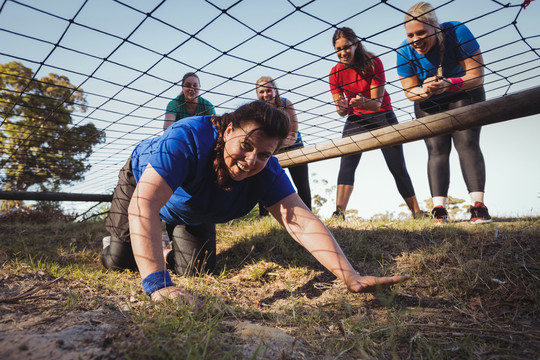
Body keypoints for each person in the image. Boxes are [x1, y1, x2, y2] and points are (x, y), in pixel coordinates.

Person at [102, 101, 408, 304]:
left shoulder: (267, 171)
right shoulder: (185, 138)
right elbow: (144, 204)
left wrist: (349, 276)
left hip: (192, 209)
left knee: (196, 270)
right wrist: (157, 285)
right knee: (119, 260)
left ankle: (166, 248)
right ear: (229, 129)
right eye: (246, 146)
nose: (251, 161)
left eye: (264, 154)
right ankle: (114, 242)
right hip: (142, 184)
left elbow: (300, 220)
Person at [396, 2, 491, 224]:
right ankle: (439, 210)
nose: (415, 40)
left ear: (435, 28)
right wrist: (425, 89)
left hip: (463, 91)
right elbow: (410, 91)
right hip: (430, 101)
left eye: (421, 32)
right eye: (410, 35)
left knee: (466, 141)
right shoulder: (403, 51)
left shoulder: (457, 32)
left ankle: (478, 206)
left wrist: (449, 83)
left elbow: (477, 76)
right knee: (436, 149)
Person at [329, 27, 424, 220]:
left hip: (382, 113)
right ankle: (339, 213)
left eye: (346, 47)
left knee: (396, 165)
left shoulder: (373, 62)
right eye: (338, 49)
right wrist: (344, 106)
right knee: (347, 162)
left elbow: (376, 103)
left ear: (355, 44)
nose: (343, 53)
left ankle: (417, 212)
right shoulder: (335, 73)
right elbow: (340, 111)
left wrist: (362, 101)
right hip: (356, 117)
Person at [255, 76, 311, 217]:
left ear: (275, 91)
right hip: (271, 150)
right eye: (261, 92)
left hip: (293, 147)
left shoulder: (286, 104)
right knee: (262, 179)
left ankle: (309, 214)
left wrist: (276, 144)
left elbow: (293, 134)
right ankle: (263, 217)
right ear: (257, 94)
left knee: (302, 184)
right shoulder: (257, 111)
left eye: (269, 90)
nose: (265, 94)